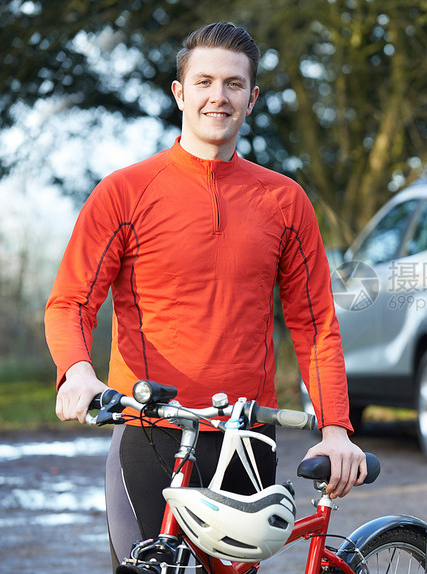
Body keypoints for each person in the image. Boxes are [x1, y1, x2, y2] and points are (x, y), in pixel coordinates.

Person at [44, 22, 366, 568]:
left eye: (234, 85)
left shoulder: (284, 202)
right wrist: (77, 372)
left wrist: (335, 429)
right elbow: (72, 301)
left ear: (252, 97)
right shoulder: (125, 192)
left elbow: (314, 325)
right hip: (150, 435)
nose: (218, 96)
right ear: (180, 93)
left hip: (246, 439)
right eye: (204, 82)